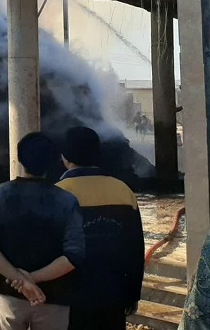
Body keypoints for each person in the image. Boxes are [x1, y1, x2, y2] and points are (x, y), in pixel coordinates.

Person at [0, 132, 85, 330]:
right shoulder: (66, 200)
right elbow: (74, 256)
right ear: (54, 161)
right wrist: (31, 280)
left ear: (19, 158)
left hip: (10, 294)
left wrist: (20, 280)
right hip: (54, 297)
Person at [56, 126, 145, 330]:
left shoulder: (56, 194)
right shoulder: (123, 191)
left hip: (71, 296)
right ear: (98, 154)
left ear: (64, 158)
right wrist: (133, 293)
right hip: (114, 293)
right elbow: (135, 248)